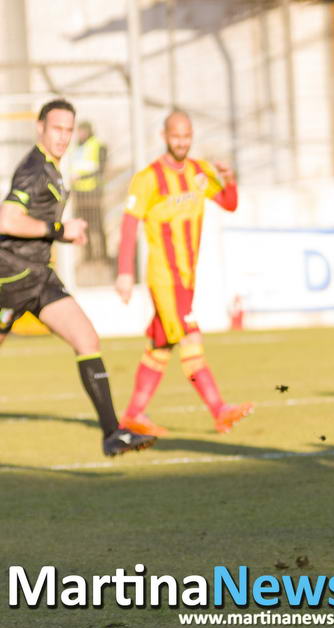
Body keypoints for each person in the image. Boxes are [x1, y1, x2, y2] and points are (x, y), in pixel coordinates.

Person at [0, 99, 156, 456]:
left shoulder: (53, 168)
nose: (63, 137)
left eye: (68, 130)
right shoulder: (33, 169)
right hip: (10, 279)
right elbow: (6, 221)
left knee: (87, 339)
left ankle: (112, 433)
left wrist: (64, 233)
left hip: (38, 277)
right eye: (56, 129)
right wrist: (59, 229)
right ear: (40, 128)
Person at [115, 110, 252, 436]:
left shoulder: (199, 173)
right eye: (176, 136)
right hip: (164, 278)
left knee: (160, 345)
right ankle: (219, 410)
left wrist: (229, 179)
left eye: (187, 136)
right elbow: (129, 224)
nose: (182, 142)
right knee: (190, 336)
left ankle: (134, 414)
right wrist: (123, 272)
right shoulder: (148, 178)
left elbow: (229, 204)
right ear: (164, 136)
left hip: (188, 277)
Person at [69, 121, 108, 262]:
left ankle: (103, 255)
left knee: (97, 226)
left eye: (83, 131)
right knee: (84, 226)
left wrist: (82, 177)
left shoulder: (98, 145)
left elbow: (100, 169)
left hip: (93, 191)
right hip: (79, 192)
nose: (80, 134)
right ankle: (89, 256)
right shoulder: (76, 147)